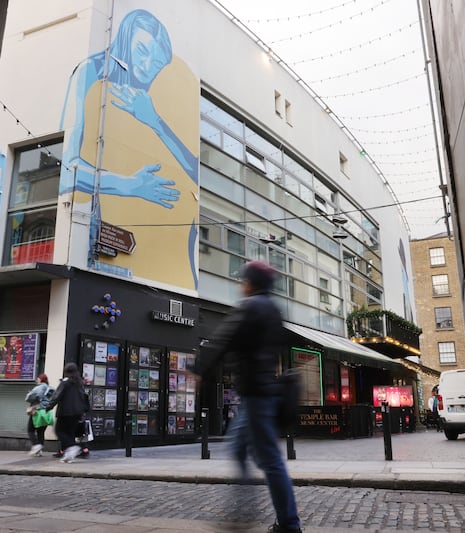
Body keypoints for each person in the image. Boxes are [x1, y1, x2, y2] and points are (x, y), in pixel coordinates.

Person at [58, 8, 200, 290]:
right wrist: (130, 185)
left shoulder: (157, 96)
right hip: (93, 249)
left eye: (157, 62)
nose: (147, 66)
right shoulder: (89, 74)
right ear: (124, 38)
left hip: (172, 268)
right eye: (142, 51)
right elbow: (66, 173)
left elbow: (196, 171)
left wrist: (155, 122)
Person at [194, 261, 302, 533]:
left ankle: (288, 525)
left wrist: (198, 370)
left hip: (256, 395)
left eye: (244, 281)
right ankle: (243, 512)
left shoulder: (251, 307)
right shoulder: (275, 309)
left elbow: (222, 339)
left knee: (270, 462)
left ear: (252, 283)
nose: (240, 285)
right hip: (259, 393)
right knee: (239, 449)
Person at [46, 362, 89, 463]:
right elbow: (84, 397)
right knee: (69, 433)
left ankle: (72, 447)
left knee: (59, 431)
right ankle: (68, 455)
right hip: (77, 412)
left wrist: (49, 406)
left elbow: (57, 395)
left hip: (66, 412)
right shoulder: (79, 382)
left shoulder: (65, 382)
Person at [25, 373, 52, 456]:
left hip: (37, 411)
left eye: (38, 378)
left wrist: (30, 395)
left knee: (30, 430)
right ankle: (39, 451)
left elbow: (30, 398)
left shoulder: (39, 387)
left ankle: (36, 445)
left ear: (41, 379)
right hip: (46, 412)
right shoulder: (50, 388)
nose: (37, 379)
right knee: (41, 432)